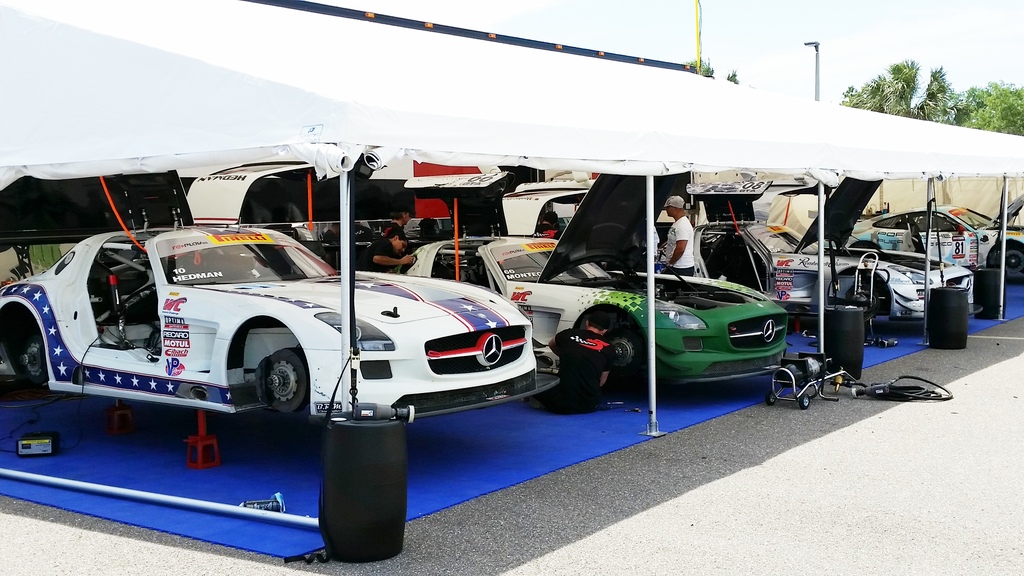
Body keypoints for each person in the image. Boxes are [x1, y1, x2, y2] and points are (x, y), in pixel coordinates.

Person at [529, 310, 617, 414]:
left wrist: (567, 356)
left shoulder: (568, 334)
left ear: (587, 323)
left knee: (537, 386)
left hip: (562, 405)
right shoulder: (610, 349)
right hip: (591, 404)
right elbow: (601, 382)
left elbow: (552, 344)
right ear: (604, 331)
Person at [660, 195, 695, 276]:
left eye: (668, 207)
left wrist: (671, 263)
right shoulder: (678, 223)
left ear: (675, 208)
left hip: (681, 267)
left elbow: (680, 249)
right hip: (676, 266)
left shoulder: (682, 225)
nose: (666, 210)